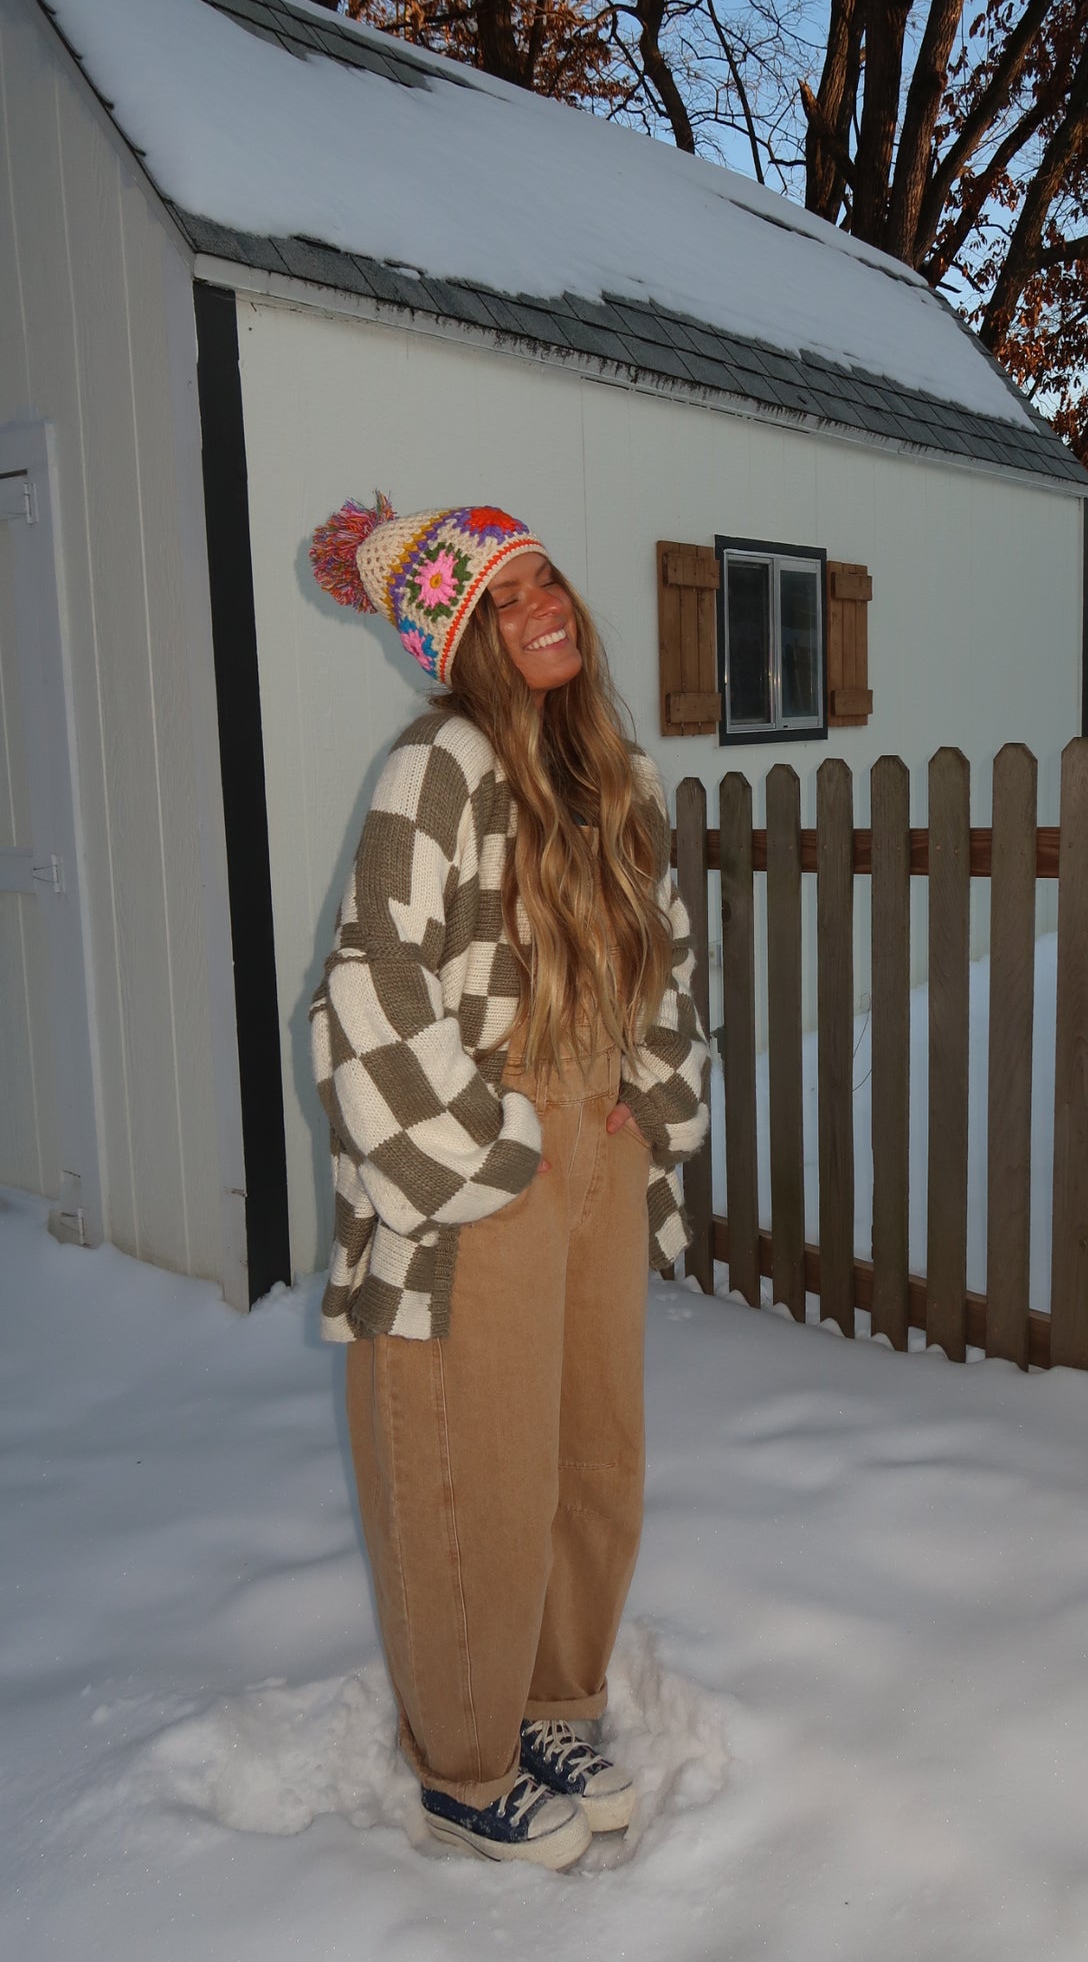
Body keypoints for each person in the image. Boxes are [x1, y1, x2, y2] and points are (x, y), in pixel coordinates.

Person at [306, 496, 710, 1870]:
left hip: (594, 1146)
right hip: (484, 1162)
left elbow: (663, 959)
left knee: (589, 1454)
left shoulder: (613, 776)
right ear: (458, 638)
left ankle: (553, 1700)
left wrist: (640, 1114)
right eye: (503, 594)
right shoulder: (441, 766)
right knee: (467, 1459)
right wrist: (490, 1150)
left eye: (546, 578)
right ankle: (465, 1756)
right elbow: (371, 985)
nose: (547, 606)